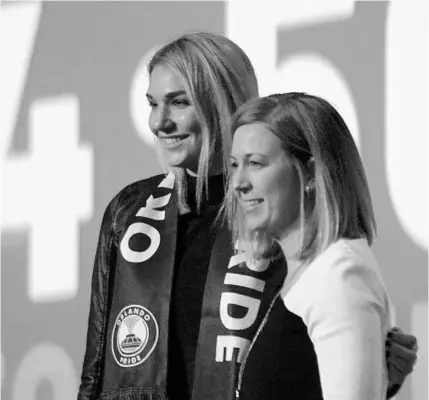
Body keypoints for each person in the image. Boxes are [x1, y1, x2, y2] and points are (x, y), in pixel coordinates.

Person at [78, 32, 418, 400]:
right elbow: (96, 371)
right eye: (152, 104)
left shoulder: (274, 210)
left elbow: (297, 364)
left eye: (178, 103)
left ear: (222, 102)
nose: (159, 122)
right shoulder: (131, 212)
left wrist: (376, 373)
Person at [226, 92, 416, 399]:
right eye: (235, 165)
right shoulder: (303, 272)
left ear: (312, 173)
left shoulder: (339, 273)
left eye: (256, 164)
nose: (238, 182)